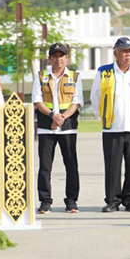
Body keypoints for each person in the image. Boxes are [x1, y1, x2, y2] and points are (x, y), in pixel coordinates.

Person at [90, 37, 130, 213]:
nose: (127, 55)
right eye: (124, 51)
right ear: (115, 53)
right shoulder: (104, 72)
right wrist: (103, 117)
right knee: (113, 166)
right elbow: (95, 97)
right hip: (112, 127)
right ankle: (113, 200)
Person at [32, 43, 83, 214]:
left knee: (71, 165)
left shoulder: (75, 77)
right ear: (50, 58)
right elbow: (38, 102)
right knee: (45, 166)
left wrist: (61, 118)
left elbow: (76, 102)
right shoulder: (40, 76)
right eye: (55, 56)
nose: (58, 59)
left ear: (66, 58)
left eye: (62, 55)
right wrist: (53, 116)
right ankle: (45, 202)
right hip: (47, 128)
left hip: (67, 128)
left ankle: (72, 201)